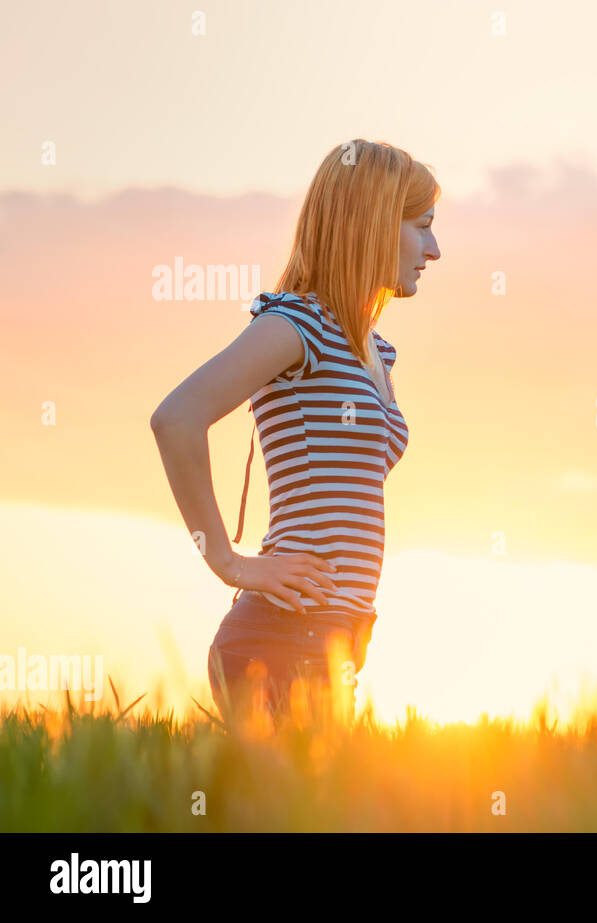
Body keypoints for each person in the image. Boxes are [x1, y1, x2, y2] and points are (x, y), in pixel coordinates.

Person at [150, 139, 440, 729]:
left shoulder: (374, 350)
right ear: (375, 225)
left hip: (336, 637)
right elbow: (176, 418)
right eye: (423, 227)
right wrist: (230, 564)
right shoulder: (294, 325)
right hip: (286, 636)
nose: (434, 250)